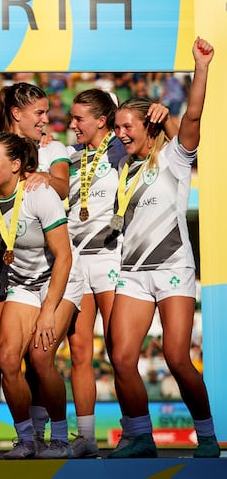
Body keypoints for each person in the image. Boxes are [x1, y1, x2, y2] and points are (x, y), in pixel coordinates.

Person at [108, 38, 217, 459]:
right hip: (133, 273)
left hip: (172, 267)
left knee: (176, 356)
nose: (120, 135)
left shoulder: (174, 157)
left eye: (126, 127)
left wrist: (200, 68)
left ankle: (206, 435)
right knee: (121, 359)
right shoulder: (121, 164)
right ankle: (138, 436)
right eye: (116, 128)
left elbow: (193, 116)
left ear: (148, 125)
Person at [0, 81, 75, 458]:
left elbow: (64, 257)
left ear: (16, 165)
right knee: (5, 358)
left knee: (42, 357)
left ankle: (60, 439)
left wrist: (48, 310)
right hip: (20, 281)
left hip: (59, 279)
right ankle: (27, 439)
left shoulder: (40, 190)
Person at [65, 89, 172, 458]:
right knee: (79, 352)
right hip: (77, 261)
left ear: (101, 120)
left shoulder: (122, 149)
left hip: (112, 258)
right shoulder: (69, 157)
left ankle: (136, 432)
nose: (72, 124)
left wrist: (163, 115)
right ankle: (86, 437)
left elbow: (175, 145)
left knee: (118, 352)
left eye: (79, 118)